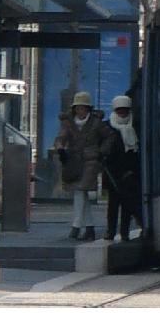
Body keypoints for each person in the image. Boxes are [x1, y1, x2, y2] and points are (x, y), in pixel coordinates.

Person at [55, 92, 105, 241]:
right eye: (78, 108)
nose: (80, 111)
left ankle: (76, 226)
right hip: (74, 161)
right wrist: (60, 148)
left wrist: (101, 152)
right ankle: (89, 228)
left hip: (91, 160)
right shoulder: (68, 122)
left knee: (80, 190)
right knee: (81, 192)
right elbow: (61, 137)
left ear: (88, 109)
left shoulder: (96, 122)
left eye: (83, 108)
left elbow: (108, 137)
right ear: (74, 109)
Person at [100, 94, 142, 243]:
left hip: (130, 172)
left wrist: (132, 170)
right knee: (113, 205)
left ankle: (124, 231)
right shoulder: (107, 126)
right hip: (112, 172)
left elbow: (138, 151)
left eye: (124, 110)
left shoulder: (136, 125)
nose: (122, 113)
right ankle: (110, 231)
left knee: (127, 205)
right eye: (119, 110)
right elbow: (103, 150)